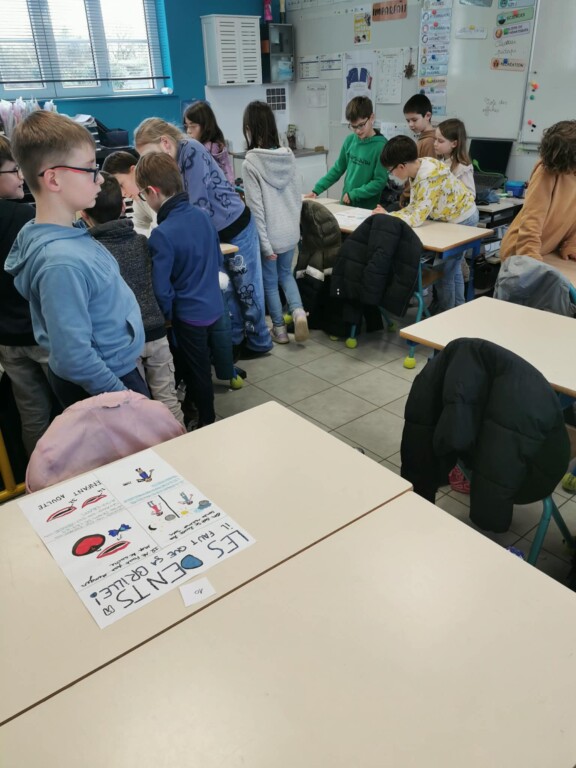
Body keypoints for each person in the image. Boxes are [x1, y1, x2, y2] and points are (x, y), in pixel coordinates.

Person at [5, 111, 147, 409]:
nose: (100, 178)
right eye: (89, 169)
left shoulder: (68, 234)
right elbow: (75, 358)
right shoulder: (60, 263)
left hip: (115, 369)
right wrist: (125, 399)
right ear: (54, 179)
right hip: (108, 381)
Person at [134, 117, 272, 359]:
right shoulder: (172, 162)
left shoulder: (191, 150)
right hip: (213, 232)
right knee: (226, 291)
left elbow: (197, 206)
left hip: (235, 227)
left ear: (165, 143)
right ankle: (235, 342)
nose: (150, 162)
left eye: (150, 154)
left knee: (247, 291)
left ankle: (259, 342)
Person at [135, 151, 234, 427]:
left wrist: (167, 316)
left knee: (197, 370)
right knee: (202, 362)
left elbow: (161, 289)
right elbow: (217, 259)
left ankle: (207, 420)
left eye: (143, 196)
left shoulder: (162, 234)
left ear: (152, 192)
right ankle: (196, 406)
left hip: (189, 315)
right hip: (213, 305)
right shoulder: (202, 216)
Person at [80, 172, 185, 426]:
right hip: (157, 331)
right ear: (122, 208)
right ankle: (181, 439)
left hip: (123, 342)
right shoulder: (142, 242)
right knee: (168, 399)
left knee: (138, 408)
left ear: (84, 215)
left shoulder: (90, 253)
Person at [375, 135, 479, 311]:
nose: (391, 175)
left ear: (401, 166)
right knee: (453, 271)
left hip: (464, 219)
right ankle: (458, 309)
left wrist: (390, 217)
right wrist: (390, 214)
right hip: (452, 219)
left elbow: (417, 218)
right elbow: (415, 206)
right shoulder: (417, 168)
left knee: (445, 274)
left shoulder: (427, 177)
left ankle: (445, 315)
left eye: (390, 171)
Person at [0, 135, 56, 455]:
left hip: (7, 341)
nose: (21, 177)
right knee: (71, 407)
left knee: (32, 414)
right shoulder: (25, 218)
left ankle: (40, 474)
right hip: (40, 333)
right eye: (13, 170)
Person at [242, 101, 308, 344]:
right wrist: (295, 229)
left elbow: (256, 209)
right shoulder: (288, 156)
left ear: (249, 128)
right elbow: (297, 196)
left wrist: (265, 244)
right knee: (286, 275)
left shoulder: (251, 163)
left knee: (270, 283)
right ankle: (299, 312)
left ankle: (279, 330)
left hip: (270, 234)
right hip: (290, 231)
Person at [500, 120, 576, 262]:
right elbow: (532, 219)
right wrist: (529, 257)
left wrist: (572, 244)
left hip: (548, 252)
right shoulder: (546, 171)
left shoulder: (570, 169)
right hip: (520, 253)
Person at [304, 96, 388, 210]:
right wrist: (317, 189)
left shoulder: (381, 146)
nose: (357, 131)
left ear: (371, 118)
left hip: (367, 209)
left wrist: (355, 194)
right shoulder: (350, 140)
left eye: (361, 125)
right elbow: (338, 169)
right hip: (346, 205)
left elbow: (379, 181)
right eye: (353, 126)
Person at [101, 150, 156, 235]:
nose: (122, 194)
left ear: (134, 170)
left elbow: (159, 232)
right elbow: (137, 227)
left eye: (121, 185)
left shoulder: (157, 187)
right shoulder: (138, 196)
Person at [184, 101, 235, 186]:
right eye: (186, 126)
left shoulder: (205, 149)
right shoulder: (216, 145)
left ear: (206, 126)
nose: (188, 131)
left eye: (193, 126)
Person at [434, 118, 475, 196]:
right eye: (435, 139)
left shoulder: (462, 168)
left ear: (454, 144)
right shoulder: (440, 162)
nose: (435, 144)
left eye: (440, 141)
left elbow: (471, 195)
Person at [403, 94, 436, 158]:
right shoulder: (424, 137)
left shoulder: (429, 141)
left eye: (414, 120)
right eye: (408, 121)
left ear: (428, 116)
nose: (410, 124)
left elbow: (431, 164)